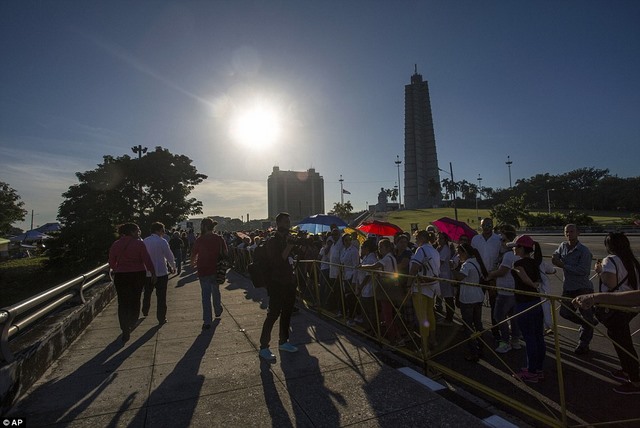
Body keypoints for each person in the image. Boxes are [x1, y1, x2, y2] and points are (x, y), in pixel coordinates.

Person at [591, 232, 640, 394]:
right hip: (629, 307)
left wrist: (599, 270)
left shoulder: (610, 260)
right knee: (621, 339)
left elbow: (610, 282)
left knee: (623, 343)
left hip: (615, 306)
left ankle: (635, 380)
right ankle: (627, 370)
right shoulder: (632, 261)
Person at [258, 212, 299, 362]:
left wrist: (294, 245)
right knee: (273, 314)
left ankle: (283, 341)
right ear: (278, 224)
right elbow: (277, 262)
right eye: (285, 222)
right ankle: (264, 347)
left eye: (289, 222)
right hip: (276, 282)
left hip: (289, 281)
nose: (288, 224)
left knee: (287, 312)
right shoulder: (272, 242)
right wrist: (289, 246)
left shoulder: (287, 239)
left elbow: (291, 258)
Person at [108, 223, 155, 343]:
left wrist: (118, 268)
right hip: (138, 274)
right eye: (137, 230)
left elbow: (111, 261)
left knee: (122, 302)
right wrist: (153, 272)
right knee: (135, 299)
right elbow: (146, 259)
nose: (139, 232)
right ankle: (132, 322)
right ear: (132, 232)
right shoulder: (139, 243)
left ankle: (124, 328)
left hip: (121, 275)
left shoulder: (116, 244)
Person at [552, 224, 595, 354]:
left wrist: (564, 265)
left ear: (578, 233)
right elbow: (556, 254)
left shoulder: (584, 251)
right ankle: (588, 323)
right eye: (566, 232)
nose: (569, 234)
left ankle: (583, 344)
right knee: (564, 313)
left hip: (583, 288)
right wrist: (555, 257)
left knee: (586, 314)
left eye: (572, 231)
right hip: (568, 287)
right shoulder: (563, 246)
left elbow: (584, 271)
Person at [509, 235, 545, 383]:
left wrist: (532, 285)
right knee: (538, 337)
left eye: (516, 246)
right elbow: (537, 279)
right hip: (536, 302)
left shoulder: (518, 263)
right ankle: (538, 369)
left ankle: (531, 373)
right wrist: (535, 285)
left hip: (524, 303)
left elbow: (524, 278)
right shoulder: (535, 262)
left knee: (529, 338)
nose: (513, 248)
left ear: (522, 248)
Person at [486, 226, 523, 353]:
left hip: (505, 291)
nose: (501, 242)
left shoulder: (508, 255)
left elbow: (502, 272)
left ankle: (505, 342)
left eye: (503, 240)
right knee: (514, 317)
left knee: (499, 317)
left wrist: (491, 274)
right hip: (515, 290)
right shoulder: (518, 254)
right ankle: (515, 340)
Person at [408, 230, 441, 355]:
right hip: (432, 286)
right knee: (430, 314)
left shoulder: (421, 250)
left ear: (421, 238)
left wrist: (408, 284)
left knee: (422, 317)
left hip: (421, 287)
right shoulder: (434, 250)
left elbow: (414, 268)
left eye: (416, 239)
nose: (416, 241)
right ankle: (433, 340)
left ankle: (424, 348)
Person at [452, 243, 487, 362]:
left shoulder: (467, 265)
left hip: (468, 297)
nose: (458, 255)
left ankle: (473, 352)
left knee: (468, 326)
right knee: (478, 324)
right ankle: (481, 348)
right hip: (478, 295)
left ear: (464, 253)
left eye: (459, 253)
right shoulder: (477, 262)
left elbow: (460, 277)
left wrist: (452, 269)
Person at [191, 218, 228, 330]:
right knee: (215, 291)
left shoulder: (200, 239)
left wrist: (192, 263)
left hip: (203, 269)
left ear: (204, 227)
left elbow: (193, 253)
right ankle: (217, 309)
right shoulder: (219, 238)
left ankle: (207, 321)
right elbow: (225, 253)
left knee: (205, 296)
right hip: (216, 269)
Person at [471, 218, 503, 342]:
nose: (487, 227)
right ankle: (478, 327)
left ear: (493, 225)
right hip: (479, 275)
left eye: (489, 225)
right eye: (484, 225)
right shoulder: (475, 239)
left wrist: (495, 270)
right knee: (477, 302)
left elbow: (501, 255)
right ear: (481, 226)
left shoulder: (498, 239)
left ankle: (496, 330)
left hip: (493, 276)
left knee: (494, 304)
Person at [142, 222, 176, 325]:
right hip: (161, 272)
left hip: (148, 272)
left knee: (147, 293)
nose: (163, 232)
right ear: (158, 230)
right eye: (163, 230)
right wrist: (173, 266)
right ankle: (161, 317)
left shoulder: (145, 241)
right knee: (161, 296)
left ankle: (145, 309)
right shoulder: (162, 241)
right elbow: (169, 255)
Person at [436, 232, 456, 324]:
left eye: (441, 238)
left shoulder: (445, 249)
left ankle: (449, 317)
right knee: (442, 295)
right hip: (440, 275)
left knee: (448, 297)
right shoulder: (438, 248)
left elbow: (440, 262)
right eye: (438, 238)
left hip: (445, 275)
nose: (439, 240)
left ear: (445, 240)